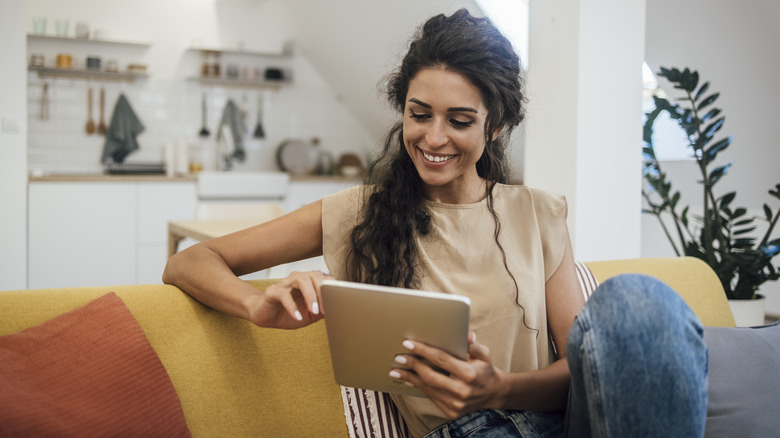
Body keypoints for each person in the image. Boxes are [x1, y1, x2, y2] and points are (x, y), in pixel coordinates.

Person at [163, 9, 708, 438]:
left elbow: (582, 370)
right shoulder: (360, 212)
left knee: (639, 301)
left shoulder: (538, 213)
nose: (434, 137)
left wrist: (500, 388)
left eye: (460, 120)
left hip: (568, 424)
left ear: (496, 127)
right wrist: (256, 306)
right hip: (467, 433)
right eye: (419, 113)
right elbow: (189, 262)